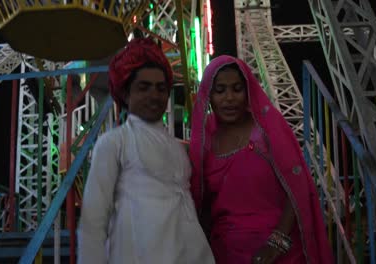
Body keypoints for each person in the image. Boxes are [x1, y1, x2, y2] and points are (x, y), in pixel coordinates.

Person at [78, 37, 215, 264]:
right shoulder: (113, 144)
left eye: (161, 88)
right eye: (144, 87)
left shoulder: (178, 149)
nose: (154, 95)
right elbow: (93, 224)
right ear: (125, 93)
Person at [189, 55, 333, 264]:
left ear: (248, 91)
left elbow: (297, 186)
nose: (229, 98)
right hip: (224, 252)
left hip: (280, 252)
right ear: (208, 96)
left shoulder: (266, 128)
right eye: (220, 91)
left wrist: (277, 243)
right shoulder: (204, 138)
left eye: (237, 89)